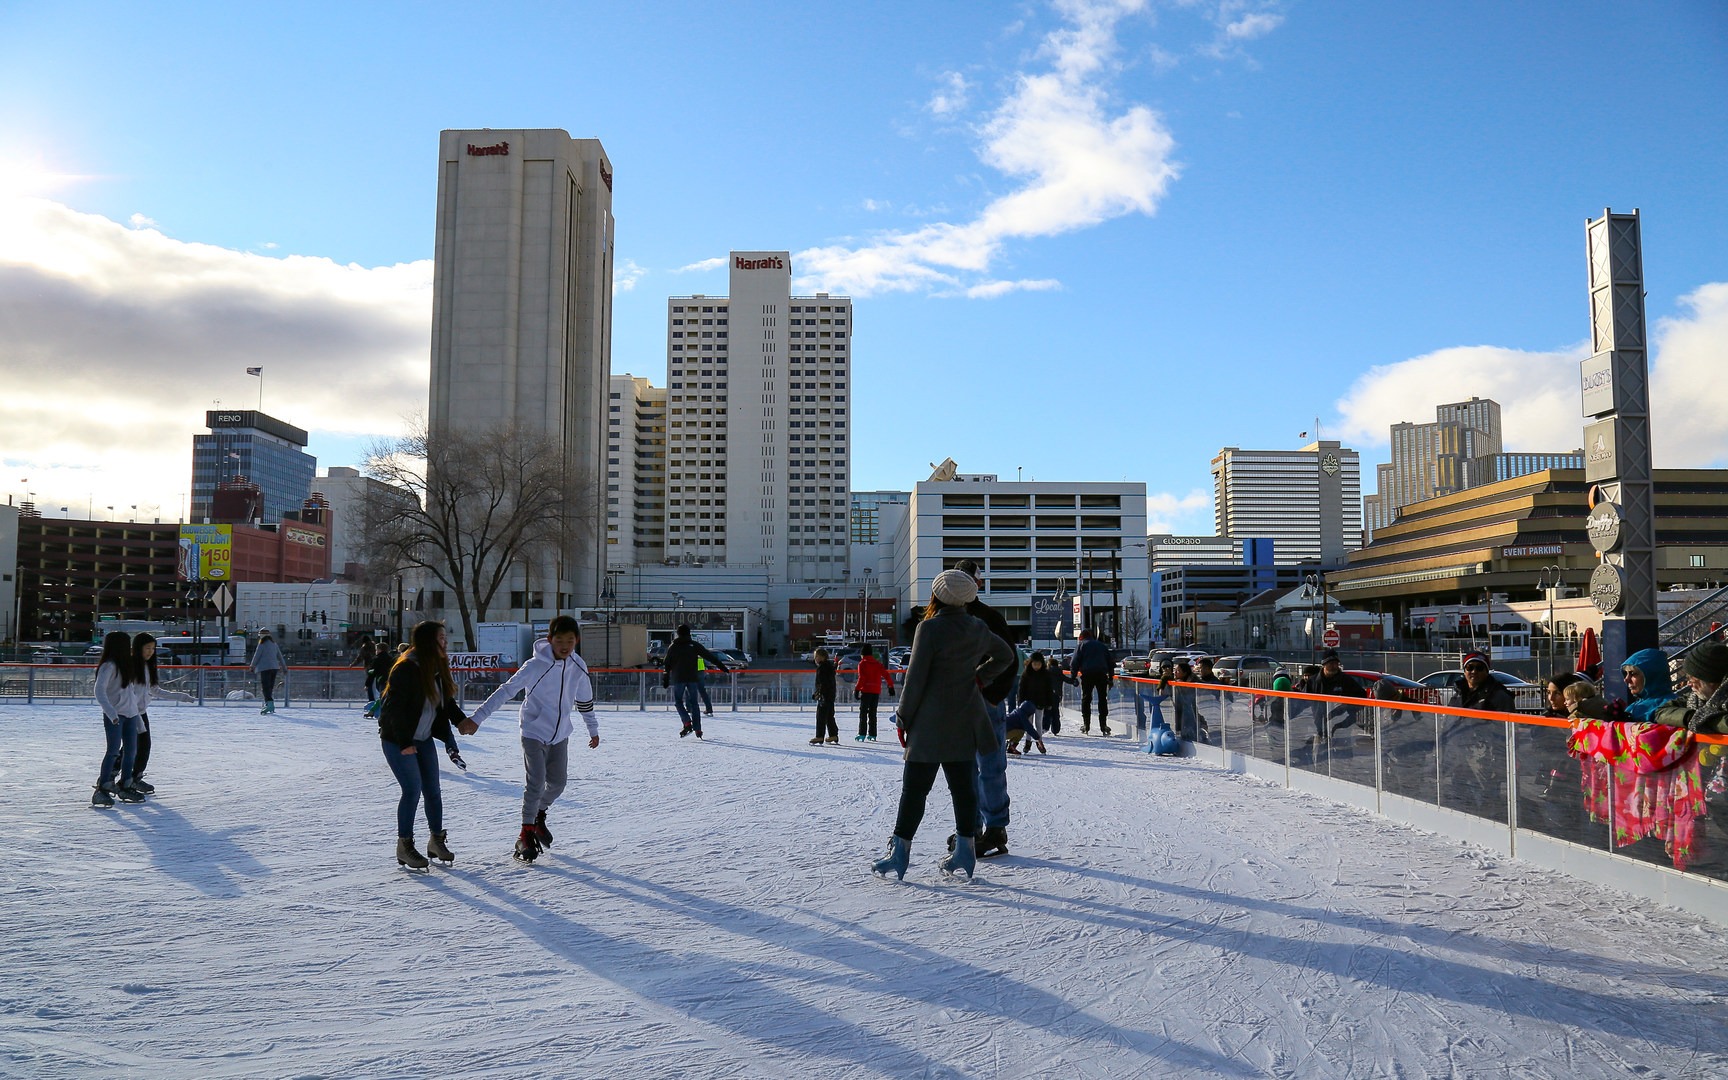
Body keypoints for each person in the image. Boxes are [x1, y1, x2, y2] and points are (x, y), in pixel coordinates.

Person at [870, 569, 1015, 882]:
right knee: (963, 790)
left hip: (929, 724)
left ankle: (899, 854)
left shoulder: (930, 628)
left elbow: (915, 678)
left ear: (938, 595)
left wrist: (904, 718)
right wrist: (979, 678)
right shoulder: (977, 627)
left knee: (914, 790)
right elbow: (1006, 655)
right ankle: (965, 852)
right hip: (964, 720)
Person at [468, 615, 600, 862]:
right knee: (536, 782)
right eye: (559, 640)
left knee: (558, 784)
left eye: (570, 641)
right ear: (549, 640)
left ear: (576, 641)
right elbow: (507, 690)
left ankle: (539, 814)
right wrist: (477, 718)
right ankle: (525, 833)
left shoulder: (578, 667)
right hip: (533, 732)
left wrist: (593, 729)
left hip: (560, 734)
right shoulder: (535, 665)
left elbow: (585, 701)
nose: (564, 645)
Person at [377, 620, 477, 870]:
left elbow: (446, 702)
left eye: (445, 637)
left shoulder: (435, 666)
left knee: (432, 790)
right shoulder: (406, 668)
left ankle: (436, 840)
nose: (445, 642)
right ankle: (405, 845)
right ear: (426, 641)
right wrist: (404, 742)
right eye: (441, 638)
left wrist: (461, 721)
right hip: (397, 739)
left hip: (423, 739)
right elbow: (393, 710)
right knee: (412, 789)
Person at [954, 558, 1020, 858]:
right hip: (965, 699)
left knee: (987, 765)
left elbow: (1010, 660)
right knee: (971, 766)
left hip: (980, 700)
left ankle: (992, 827)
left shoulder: (985, 617)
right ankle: (977, 826)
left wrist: (990, 693)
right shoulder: (959, 616)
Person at [127, 632, 193, 795]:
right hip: (128, 712)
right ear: (138, 647)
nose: (150, 652)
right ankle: (113, 779)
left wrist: (181, 696)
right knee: (131, 748)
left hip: (140, 712)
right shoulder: (130, 666)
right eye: (147, 648)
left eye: (153, 649)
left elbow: (154, 690)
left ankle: (135, 778)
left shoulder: (147, 667)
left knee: (142, 747)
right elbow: (126, 692)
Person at [91, 631, 144, 807]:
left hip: (130, 715)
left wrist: (138, 720)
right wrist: (111, 713)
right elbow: (99, 691)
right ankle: (103, 788)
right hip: (115, 716)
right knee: (113, 751)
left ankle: (126, 784)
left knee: (131, 751)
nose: (130, 649)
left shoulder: (126, 666)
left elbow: (131, 696)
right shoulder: (108, 666)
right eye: (127, 645)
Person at [661, 624, 727, 739]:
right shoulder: (694, 645)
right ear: (689, 633)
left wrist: (666, 677)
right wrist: (722, 666)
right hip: (692, 678)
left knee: (678, 702)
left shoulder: (673, 646)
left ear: (678, 633)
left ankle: (687, 722)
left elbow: (667, 663)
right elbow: (709, 656)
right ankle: (698, 729)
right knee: (694, 703)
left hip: (679, 678)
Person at [1302, 650, 1368, 742]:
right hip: (1318, 727)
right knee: (1319, 753)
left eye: (1336, 663)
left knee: (1342, 754)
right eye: (1331, 663)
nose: (1334, 666)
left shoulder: (1346, 681)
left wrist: (1348, 706)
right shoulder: (1313, 682)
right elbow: (1302, 702)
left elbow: (1362, 696)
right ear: (1324, 664)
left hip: (1341, 728)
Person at [1007, 651, 1059, 755]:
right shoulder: (1026, 674)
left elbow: (1049, 690)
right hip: (1028, 704)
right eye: (1034, 664)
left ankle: (1039, 741)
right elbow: (1021, 690)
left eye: (1039, 664)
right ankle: (1028, 741)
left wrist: (1049, 702)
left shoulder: (1046, 674)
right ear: (1030, 663)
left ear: (1042, 664)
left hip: (1040, 702)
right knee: (1028, 724)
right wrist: (1021, 702)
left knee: (1038, 724)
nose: (1036, 666)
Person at [1068, 628, 1115, 736]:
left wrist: (1073, 677)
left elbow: (1074, 662)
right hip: (1101, 675)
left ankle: (1086, 724)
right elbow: (1110, 662)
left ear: (1082, 637)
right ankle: (1103, 725)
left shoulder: (1081, 646)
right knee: (1102, 699)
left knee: (1086, 699)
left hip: (1087, 675)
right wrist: (1111, 678)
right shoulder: (1101, 645)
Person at [853, 643, 894, 742]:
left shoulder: (862, 664)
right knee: (872, 713)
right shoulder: (878, 664)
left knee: (863, 713)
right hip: (876, 691)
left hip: (866, 691)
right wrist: (890, 686)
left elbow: (862, 678)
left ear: (862, 654)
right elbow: (886, 675)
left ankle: (862, 733)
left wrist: (857, 689)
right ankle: (873, 734)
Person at [810, 647, 839, 745]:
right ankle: (833, 734)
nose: (815, 659)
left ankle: (819, 736)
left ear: (822, 657)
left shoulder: (822, 668)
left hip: (824, 695)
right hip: (831, 694)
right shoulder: (829, 666)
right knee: (829, 716)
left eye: (816, 657)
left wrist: (818, 694)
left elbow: (822, 683)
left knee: (821, 716)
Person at [250, 630, 283, 715]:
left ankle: (269, 704)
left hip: (265, 668)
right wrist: (284, 667)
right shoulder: (274, 644)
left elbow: (257, 656)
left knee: (265, 687)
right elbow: (280, 656)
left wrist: (252, 666)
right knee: (270, 687)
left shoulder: (261, 644)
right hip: (274, 668)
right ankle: (270, 704)